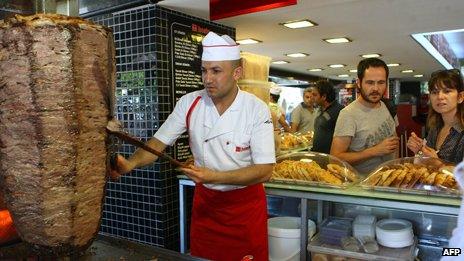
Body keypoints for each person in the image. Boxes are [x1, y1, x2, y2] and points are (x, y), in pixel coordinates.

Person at [110, 32, 275, 261]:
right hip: (206, 208)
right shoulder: (190, 102)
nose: (207, 78)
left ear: (237, 72)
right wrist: (131, 163)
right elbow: (158, 143)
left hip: (244, 210)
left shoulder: (256, 109)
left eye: (216, 71)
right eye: (204, 70)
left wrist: (214, 176)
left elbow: (265, 170)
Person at [331, 58, 399, 174]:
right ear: (359, 82)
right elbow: (335, 159)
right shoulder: (348, 114)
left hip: (389, 182)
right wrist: (374, 151)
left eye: (381, 82)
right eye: (370, 83)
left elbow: (394, 141)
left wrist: (396, 167)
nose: (376, 89)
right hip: (363, 187)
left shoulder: (387, 105)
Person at [407, 69, 464, 164]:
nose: (440, 97)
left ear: (460, 97)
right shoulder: (435, 127)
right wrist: (420, 150)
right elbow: (427, 163)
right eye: (434, 92)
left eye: (447, 91)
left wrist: (438, 164)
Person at [311, 80, 344, 154]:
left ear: (324, 96)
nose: (311, 97)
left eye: (314, 95)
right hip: (318, 156)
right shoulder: (321, 109)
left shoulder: (340, 111)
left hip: (330, 158)